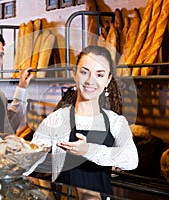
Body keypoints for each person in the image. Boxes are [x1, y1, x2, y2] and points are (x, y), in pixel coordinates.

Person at [30, 45, 138, 196]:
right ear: (75, 75)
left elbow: (131, 160)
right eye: (84, 72)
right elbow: (30, 160)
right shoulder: (57, 119)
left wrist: (88, 150)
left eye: (99, 75)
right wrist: (4, 145)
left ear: (108, 80)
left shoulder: (116, 122)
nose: (90, 81)